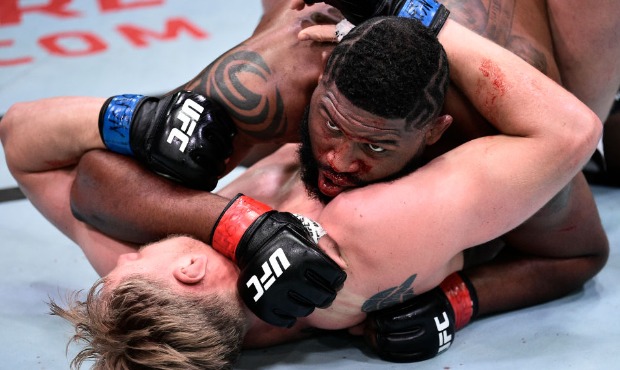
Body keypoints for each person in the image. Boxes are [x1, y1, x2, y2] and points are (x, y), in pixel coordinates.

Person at [1, 8, 602, 369]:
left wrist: (134, 118)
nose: (126, 252)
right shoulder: (370, 235)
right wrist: (466, 302)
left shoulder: (295, 81)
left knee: (233, 87)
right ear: (188, 269)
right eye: (132, 260)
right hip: (516, 59)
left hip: (355, 59)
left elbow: (23, 144)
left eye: (126, 256)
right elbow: (579, 227)